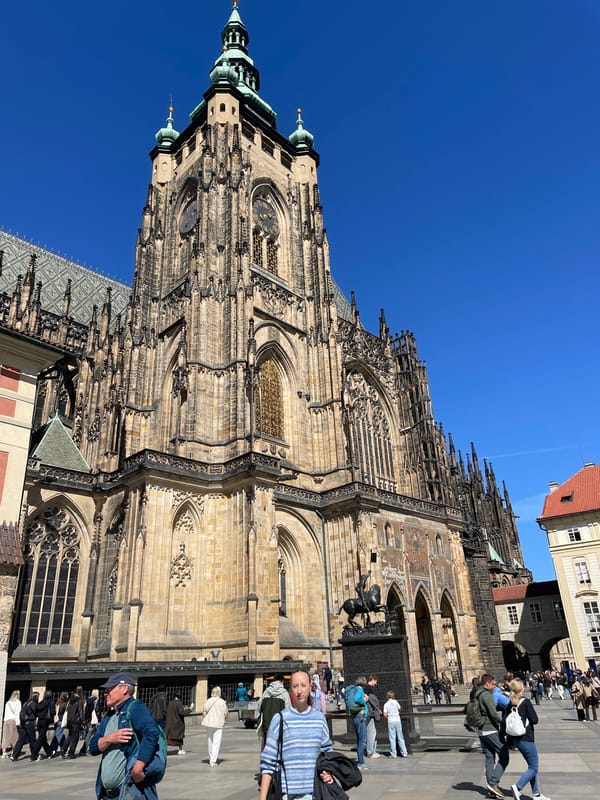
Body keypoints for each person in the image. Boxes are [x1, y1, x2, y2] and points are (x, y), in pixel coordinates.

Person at [259, 670, 333, 800]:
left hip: (315, 793)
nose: (299, 691)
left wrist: (328, 772)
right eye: (295, 686)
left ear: (310, 687)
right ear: (290, 690)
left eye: (303, 685)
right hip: (287, 794)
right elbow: (268, 762)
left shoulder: (319, 719)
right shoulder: (280, 719)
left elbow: (327, 753)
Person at [90, 670, 160, 800]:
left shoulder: (135, 708)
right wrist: (109, 739)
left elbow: (152, 732)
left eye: (109, 689)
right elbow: (93, 747)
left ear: (124, 689)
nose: (105, 693)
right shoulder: (109, 716)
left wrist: (138, 767)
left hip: (128, 792)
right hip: (106, 795)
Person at [505, 678, 552, 800]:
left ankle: (536, 794)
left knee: (531, 766)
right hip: (526, 738)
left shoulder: (510, 703)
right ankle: (517, 787)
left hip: (515, 739)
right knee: (534, 767)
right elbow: (534, 720)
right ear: (521, 689)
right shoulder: (525, 702)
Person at [474, 674, 510, 799]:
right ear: (487, 683)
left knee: (490, 757)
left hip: (480, 730)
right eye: (493, 684)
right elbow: (493, 713)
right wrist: (504, 724)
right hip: (489, 729)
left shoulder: (476, 693)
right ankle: (493, 783)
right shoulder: (486, 695)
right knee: (504, 756)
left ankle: (491, 788)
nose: (494, 687)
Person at [258, 673, 291, 748]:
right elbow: (288, 711)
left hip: (267, 725)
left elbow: (259, 708)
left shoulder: (266, 692)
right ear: (282, 681)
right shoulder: (284, 693)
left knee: (267, 748)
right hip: (279, 726)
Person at [202, 686, 228, 766]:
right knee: (216, 742)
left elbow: (204, 711)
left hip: (209, 723)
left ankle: (211, 757)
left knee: (210, 741)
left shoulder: (208, 700)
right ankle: (213, 760)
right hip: (218, 724)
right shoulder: (222, 701)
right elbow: (225, 712)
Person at [350, 675, 369, 770]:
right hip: (360, 717)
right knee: (362, 740)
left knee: (359, 740)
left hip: (356, 716)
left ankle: (360, 761)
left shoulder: (354, 689)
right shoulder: (360, 690)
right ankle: (361, 762)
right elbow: (357, 699)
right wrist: (365, 700)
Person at [31, 689, 55, 760]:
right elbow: (52, 712)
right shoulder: (51, 702)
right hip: (45, 721)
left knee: (43, 738)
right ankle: (34, 755)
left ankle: (49, 752)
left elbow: (36, 710)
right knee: (41, 738)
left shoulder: (41, 702)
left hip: (39, 721)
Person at [383, 690, 407, 757]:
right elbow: (400, 708)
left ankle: (393, 754)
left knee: (392, 738)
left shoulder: (386, 704)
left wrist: (388, 716)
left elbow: (385, 714)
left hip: (391, 721)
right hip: (397, 720)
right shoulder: (396, 702)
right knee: (400, 737)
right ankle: (404, 753)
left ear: (387, 696)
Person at [64, 685, 85, 758]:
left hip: (70, 720)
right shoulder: (79, 700)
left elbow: (67, 709)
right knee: (75, 738)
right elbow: (80, 711)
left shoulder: (70, 699)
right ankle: (71, 753)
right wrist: (82, 720)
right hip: (76, 721)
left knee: (70, 736)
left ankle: (64, 750)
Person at [80, 689, 101, 756]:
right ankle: (86, 749)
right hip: (94, 721)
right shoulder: (96, 701)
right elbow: (97, 711)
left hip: (89, 720)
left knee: (89, 735)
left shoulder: (88, 701)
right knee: (94, 735)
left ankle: (85, 749)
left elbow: (86, 711)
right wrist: (99, 720)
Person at [365, 674, 381, 758]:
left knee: (372, 732)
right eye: (376, 682)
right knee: (371, 733)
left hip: (370, 713)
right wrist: (377, 708)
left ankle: (373, 751)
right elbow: (372, 701)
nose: (376, 684)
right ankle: (370, 752)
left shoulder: (366, 688)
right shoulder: (368, 688)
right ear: (373, 679)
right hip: (370, 713)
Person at [1, 690, 21, 758]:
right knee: (14, 737)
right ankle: (13, 751)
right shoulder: (18, 702)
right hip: (13, 721)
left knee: (5, 736)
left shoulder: (8, 702)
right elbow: (18, 713)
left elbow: (5, 712)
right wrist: (18, 722)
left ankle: (4, 752)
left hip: (6, 721)